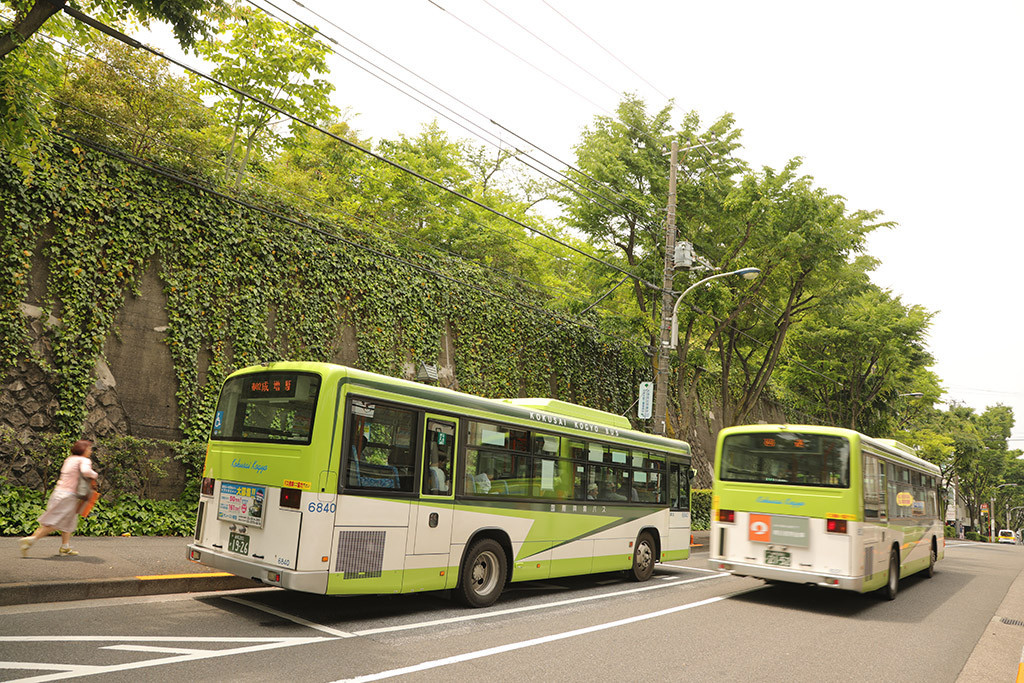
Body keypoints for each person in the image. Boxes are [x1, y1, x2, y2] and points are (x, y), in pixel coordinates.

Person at [20, 439, 98, 557]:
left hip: (59, 493)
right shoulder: (84, 460)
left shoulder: (69, 459)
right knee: (55, 522)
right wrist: (95, 475)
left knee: (69, 520)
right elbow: (86, 471)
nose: (90, 451)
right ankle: (31, 539)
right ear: (83, 449)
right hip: (68, 496)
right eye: (89, 448)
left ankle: (65, 547)